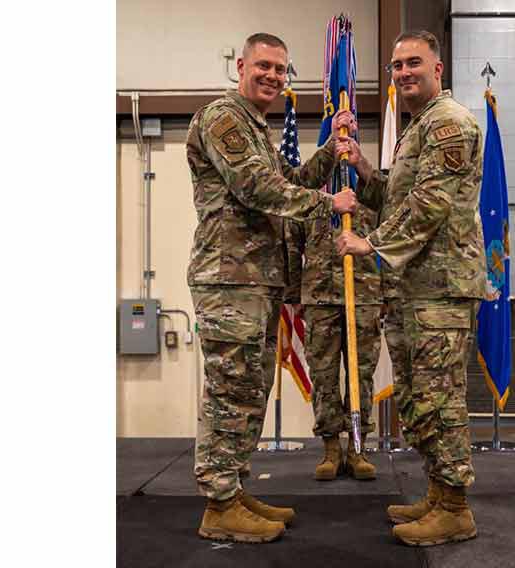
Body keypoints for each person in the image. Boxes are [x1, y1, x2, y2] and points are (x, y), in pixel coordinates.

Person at [186, 32, 357, 544]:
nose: (273, 77)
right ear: (241, 65)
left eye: (281, 70)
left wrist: (331, 151)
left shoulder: (258, 129)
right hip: (229, 280)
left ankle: (234, 491)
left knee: (250, 391)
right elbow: (256, 189)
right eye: (264, 66)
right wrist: (330, 205)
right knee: (229, 393)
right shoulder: (223, 118)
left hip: (257, 283)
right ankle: (218, 503)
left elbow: (293, 178)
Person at [334, 30, 486, 547]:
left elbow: (429, 208)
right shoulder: (416, 129)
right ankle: (438, 496)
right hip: (414, 289)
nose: (403, 74)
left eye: (413, 63)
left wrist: (369, 246)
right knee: (420, 399)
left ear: (437, 69)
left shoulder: (449, 125)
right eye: (396, 67)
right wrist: (360, 168)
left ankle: (456, 508)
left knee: (440, 400)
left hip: (441, 290)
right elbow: (400, 200)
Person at [284, 200, 382, 481]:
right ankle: (330, 449)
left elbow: (389, 242)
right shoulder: (310, 196)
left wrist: (386, 291)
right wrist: (294, 294)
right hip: (319, 296)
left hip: (364, 294)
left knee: (361, 375)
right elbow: (293, 242)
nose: (343, 153)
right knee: (324, 377)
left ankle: (357, 449)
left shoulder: (368, 192)